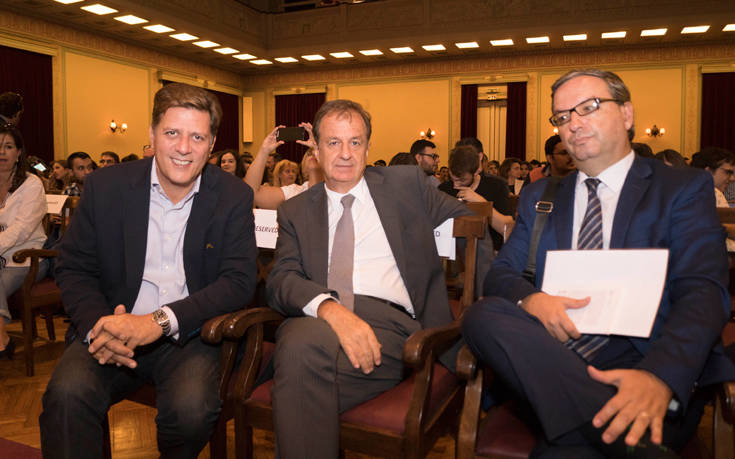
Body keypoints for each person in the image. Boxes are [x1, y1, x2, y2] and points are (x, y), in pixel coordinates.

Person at [462, 69, 735, 457]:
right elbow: (502, 274)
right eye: (562, 116)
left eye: (588, 107)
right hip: (554, 356)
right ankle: (632, 442)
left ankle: (608, 425)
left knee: (559, 452)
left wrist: (659, 377)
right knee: (482, 314)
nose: (573, 123)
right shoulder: (541, 196)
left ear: (626, 114)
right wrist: (532, 300)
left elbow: (703, 292)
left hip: (645, 356)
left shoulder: (680, 188)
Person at [39, 82, 257, 458]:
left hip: (190, 336)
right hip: (111, 325)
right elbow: (74, 267)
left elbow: (238, 282)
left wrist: (157, 322)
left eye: (197, 137)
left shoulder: (233, 196)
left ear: (211, 143)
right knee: (66, 397)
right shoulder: (106, 187)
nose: (184, 148)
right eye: (172, 133)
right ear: (153, 134)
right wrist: (98, 326)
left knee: (190, 413)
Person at [266, 99, 492, 459]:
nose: (345, 153)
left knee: (295, 371)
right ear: (316, 150)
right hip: (320, 320)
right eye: (333, 142)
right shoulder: (295, 210)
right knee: (300, 349)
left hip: (392, 326)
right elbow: (281, 278)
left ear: (368, 148)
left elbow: (471, 225)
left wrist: (485, 302)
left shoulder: (405, 185)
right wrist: (330, 309)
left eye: (355, 142)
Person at [0, 126, 48, 359]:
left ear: (18, 153)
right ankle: (3, 338)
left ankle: (0, 341)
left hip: (28, 258)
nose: (1, 152)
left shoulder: (31, 184)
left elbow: (21, 230)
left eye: (8, 146)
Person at [439, 145, 513, 248]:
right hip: (451, 250)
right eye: (453, 178)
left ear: (476, 171)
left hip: (490, 249)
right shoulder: (443, 189)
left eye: (462, 180)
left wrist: (481, 203)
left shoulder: (496, 186)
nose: (455, 185)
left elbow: (507, 229)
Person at [244, 123, 322, 209]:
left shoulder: (333, 188)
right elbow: (251, 192)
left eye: (317, 150)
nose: (313, 154)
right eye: (309, 153)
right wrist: (264, 150)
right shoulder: (294, 191)